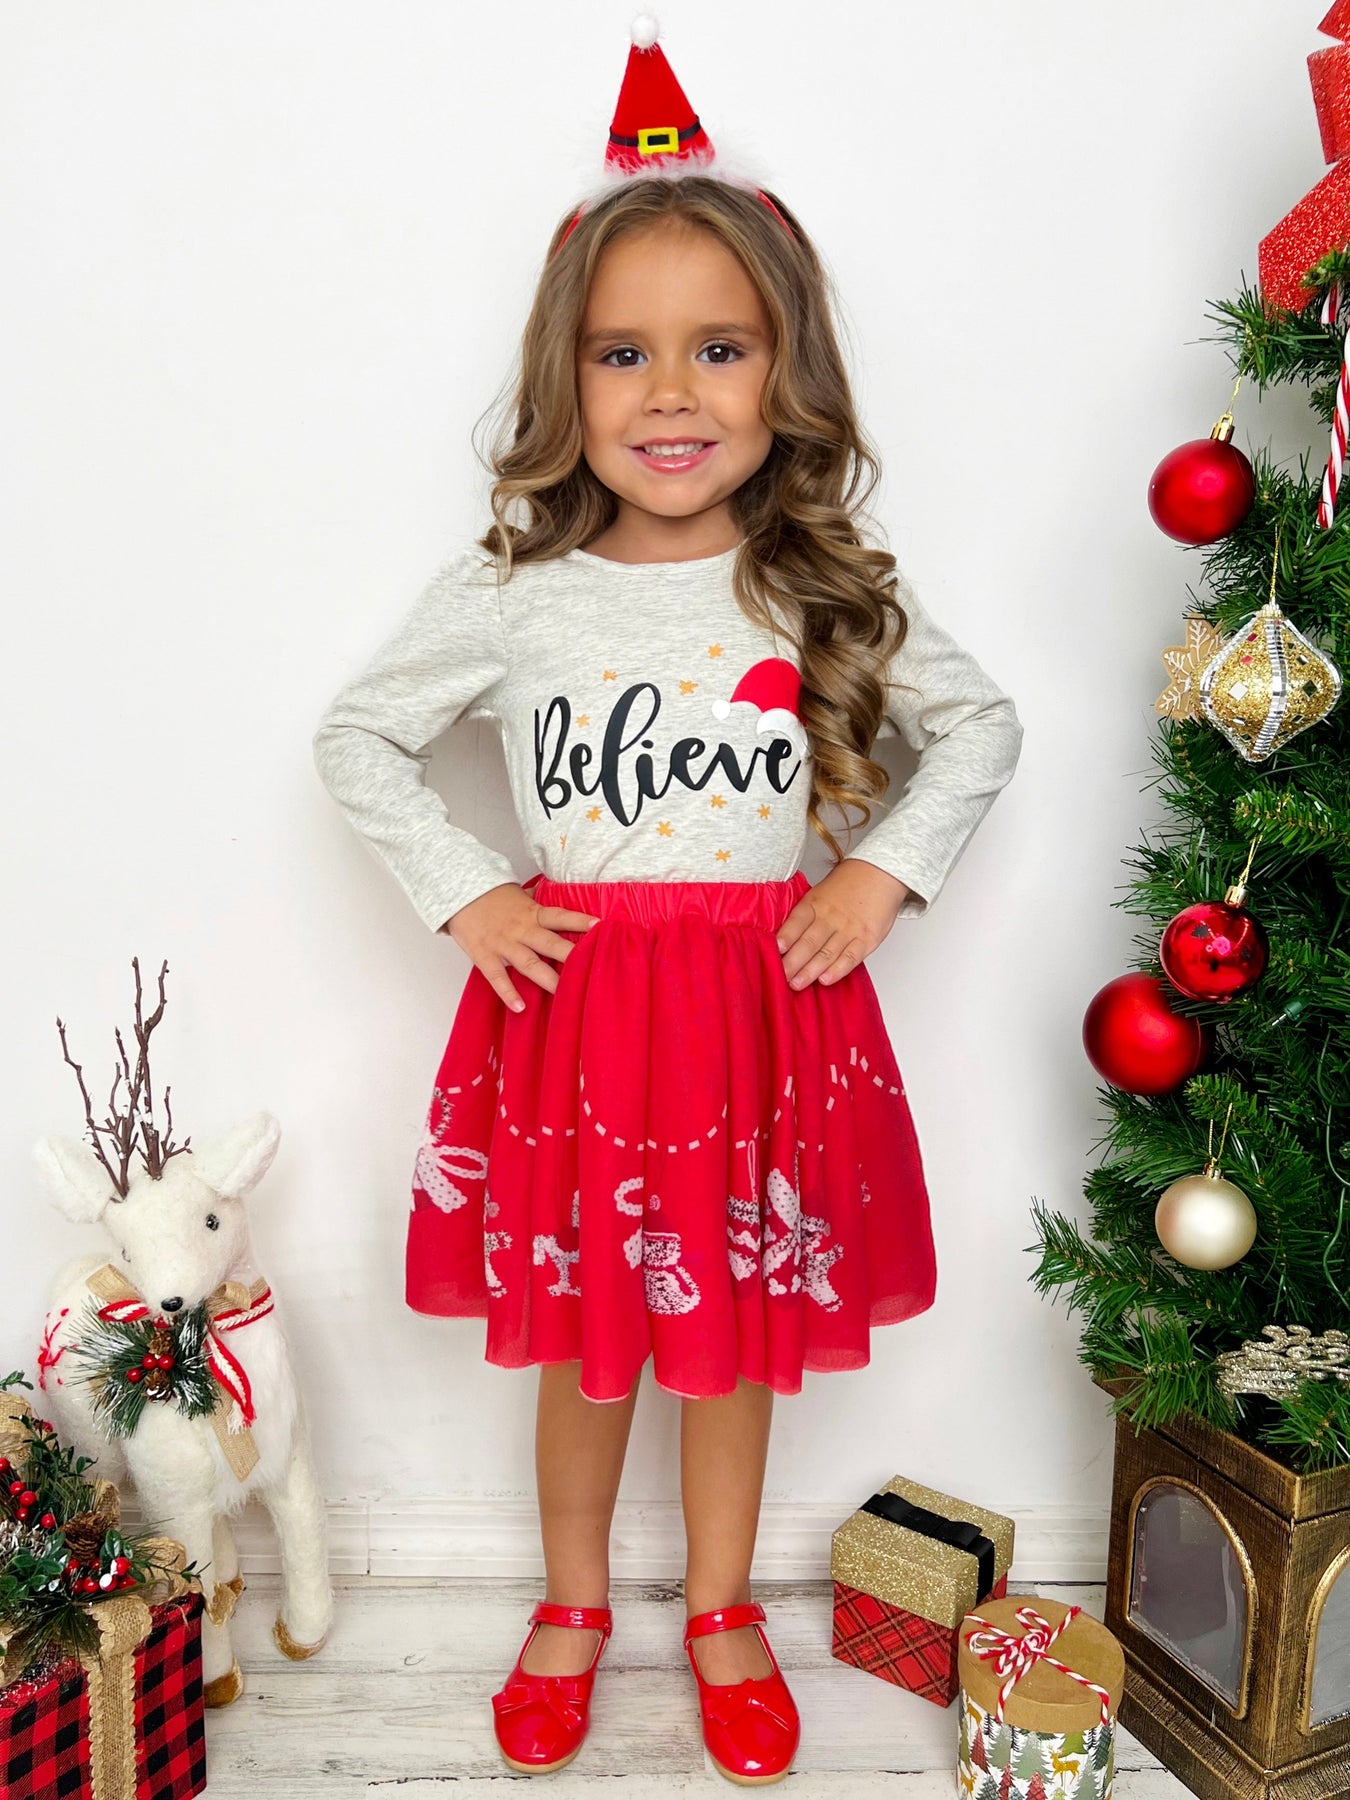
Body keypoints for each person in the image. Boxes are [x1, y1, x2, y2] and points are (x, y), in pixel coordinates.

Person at [312, 17, 1024, 1787]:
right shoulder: (518, 589)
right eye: (624, 355)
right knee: (586, 1347)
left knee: (730, 1350)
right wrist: (474, 895)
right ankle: (567, 1603)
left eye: (719, 349)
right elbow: (355, 738)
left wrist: (876, 872)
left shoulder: (810, 581)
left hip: (757, 1026)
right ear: (567, 382)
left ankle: (720, 1610)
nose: (671, 395)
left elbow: (980, 726)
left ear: (784, 372)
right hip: (580, 1027)